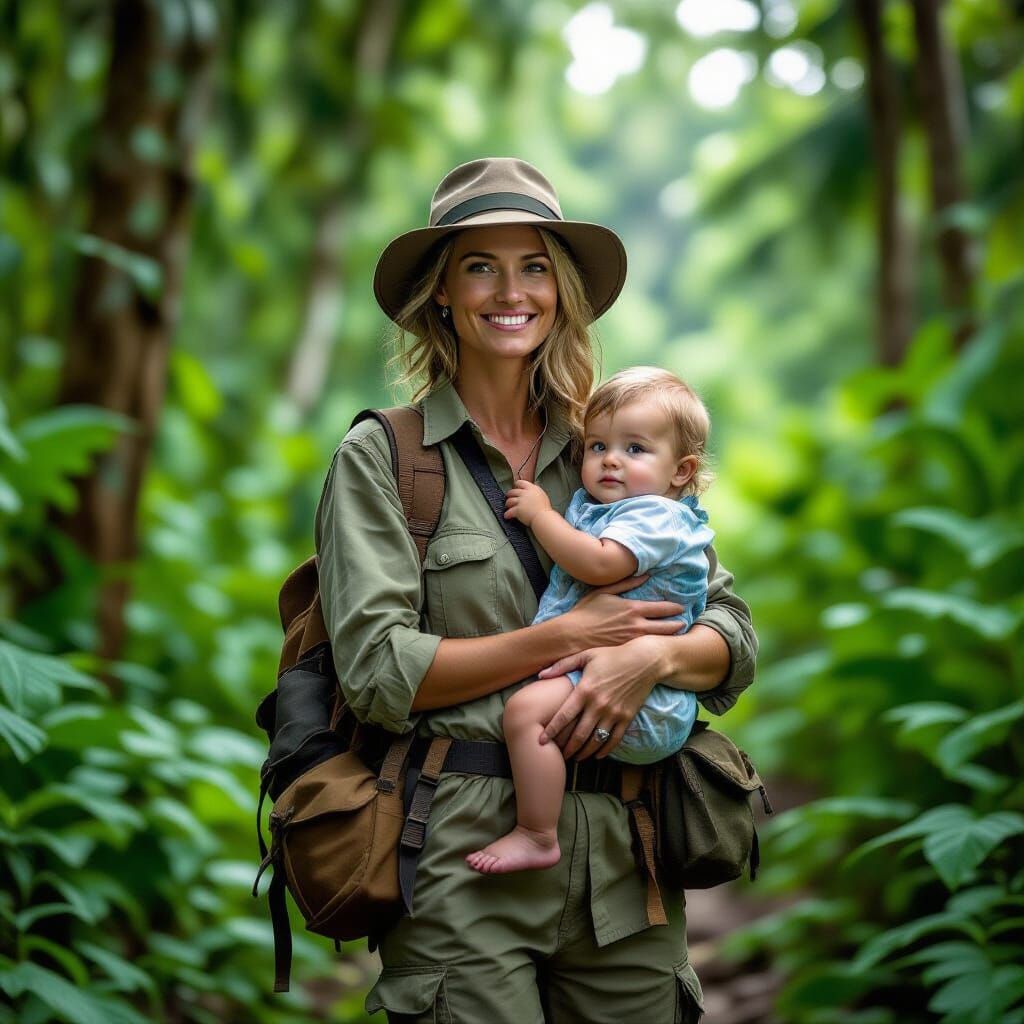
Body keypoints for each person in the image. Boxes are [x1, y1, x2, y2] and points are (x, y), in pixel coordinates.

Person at [314, 157, 757, 1023]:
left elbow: (731, 633)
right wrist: (567, 639)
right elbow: (376, 672)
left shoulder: (612, 442)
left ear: (561, 292)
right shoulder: (385, 459)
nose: (509, 291)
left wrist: (652, 659)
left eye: (535, 266)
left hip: (631, 861)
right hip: (460, 854)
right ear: (441, 291)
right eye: (479, 265)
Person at [466, 366, 715, 875]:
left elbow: (599, 564)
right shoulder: (615, 508)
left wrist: (541, 516)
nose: (610, 461)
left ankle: (537, 833)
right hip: (621, 686)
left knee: (525, 713)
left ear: (682, 471)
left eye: (635, 449)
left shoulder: (656, 517)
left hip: (644, 700)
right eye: (597, 447)